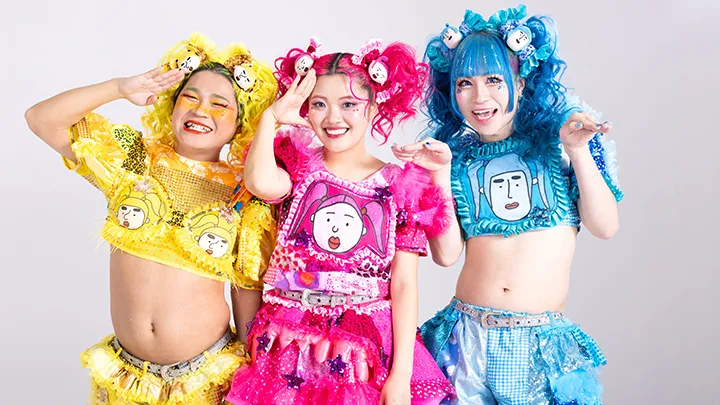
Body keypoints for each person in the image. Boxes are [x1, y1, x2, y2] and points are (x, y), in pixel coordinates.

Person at [24, 33, 278, 405]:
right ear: (171, 105)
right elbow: (41, 119)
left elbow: (247, 290)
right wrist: (118, 88)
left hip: (206, 378)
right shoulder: (133, 159)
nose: (201, 111)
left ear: (241, 123)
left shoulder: (245, 191)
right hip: (125, 377)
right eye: (190, 97)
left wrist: (250, 378)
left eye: (219, 104)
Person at [392, 6, 623, 404]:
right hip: (464, 340)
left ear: (521, 80)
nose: (480, 97)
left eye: (494, 80)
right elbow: (446, 255)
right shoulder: (456, 159)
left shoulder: (560, 145)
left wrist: (578, 151)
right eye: (465, 83)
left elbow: (605, 226)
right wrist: (440, 174)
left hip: (537, 346)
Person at [225, 38, 456, 405]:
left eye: (349, 104)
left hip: (360, 348)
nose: (333, 118)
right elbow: (260, 183)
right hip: (288, 340)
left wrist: (401, 375)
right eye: (319, 104)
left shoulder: (398, 186)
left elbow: (404, 284)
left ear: (373, 107)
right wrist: (271, 118)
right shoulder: (298, 165)